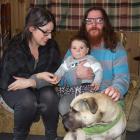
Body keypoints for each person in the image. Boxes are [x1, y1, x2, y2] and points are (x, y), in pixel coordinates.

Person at [0, 7, 62, 140]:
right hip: (12, 88)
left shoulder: (52, 46)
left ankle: (52, 136)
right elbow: (10, 80)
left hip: (38, 88)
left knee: (50, 96)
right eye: (45, 32)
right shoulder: (15, 46)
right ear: (32, 28)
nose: (50, 37)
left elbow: (55, 76)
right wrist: (38, 77)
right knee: (27, 100)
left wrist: (33, 80)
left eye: (51, 32)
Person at [57, 7, 130, 116]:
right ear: (84, 25)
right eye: (89, 21)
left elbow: (123, 77)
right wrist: (75, 74)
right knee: (63, 105)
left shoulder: (117, 49)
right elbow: (60, 80)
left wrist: (116, 89)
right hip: (79, 94)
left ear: (105, 24)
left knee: (107, 112)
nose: (94, 24)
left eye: (99, 20)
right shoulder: (75, 48)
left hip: (105, 95)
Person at [37, 35, 103, 93]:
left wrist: (97, 81)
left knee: (89, 90)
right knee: (57, 90)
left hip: (86, 85)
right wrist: (56, 76)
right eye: (74, 48)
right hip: (72, 87)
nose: (78, 50)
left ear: (87, 50)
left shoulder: (90, 59)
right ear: (70, 50)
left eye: (81, 48)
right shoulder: (69, 60)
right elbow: (62, 69)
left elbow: (99, 70)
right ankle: (65, 92)